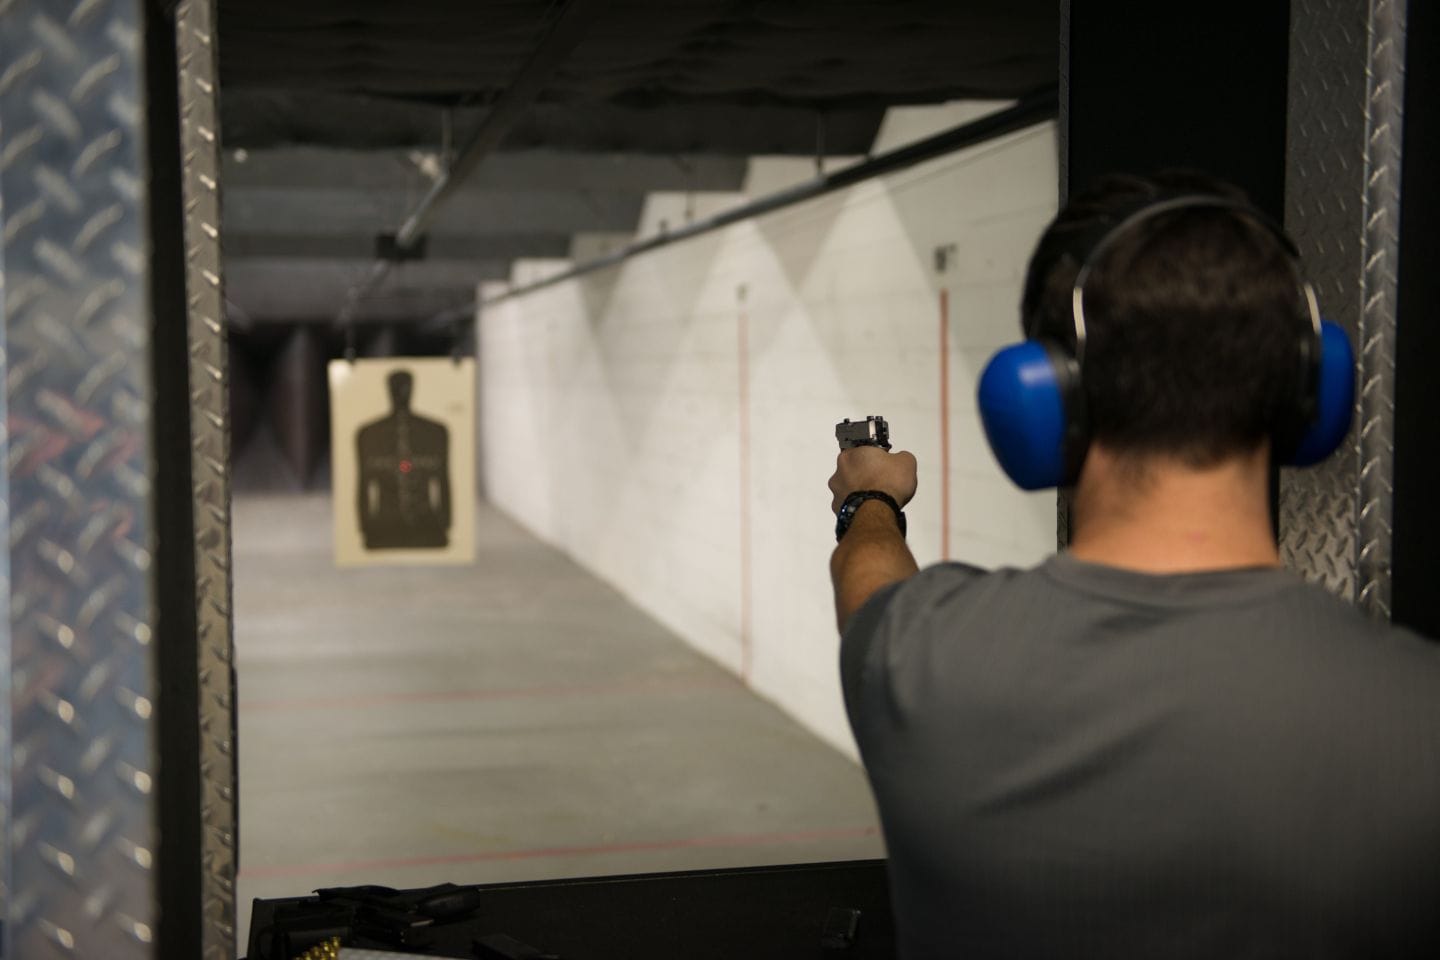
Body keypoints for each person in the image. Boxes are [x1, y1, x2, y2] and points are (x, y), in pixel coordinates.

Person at [828, 171, 1440, 958]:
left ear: (1045, 397)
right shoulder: (1420, 716)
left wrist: (869, 500)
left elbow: (867, 580)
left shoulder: (920, 660)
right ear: (1310, 393)